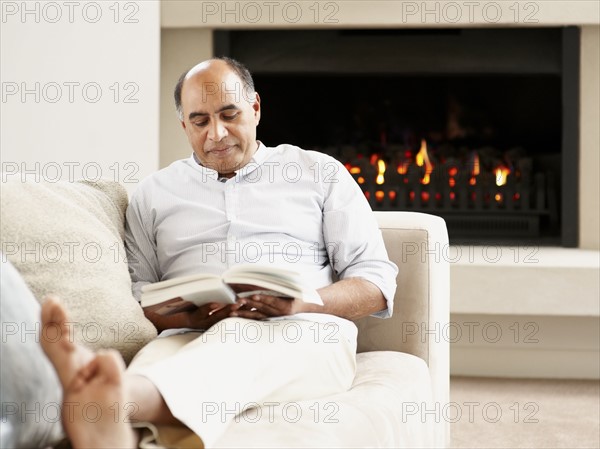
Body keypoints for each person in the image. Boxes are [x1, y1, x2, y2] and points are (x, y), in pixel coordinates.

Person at [40, 56, 398, 448]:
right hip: (187, 333)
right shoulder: (154, 194)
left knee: (232, 342)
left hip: (305, 334)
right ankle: (110, 426)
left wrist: (302, 303)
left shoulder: (319, 172)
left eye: (229, 115)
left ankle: (110, 401)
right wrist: (178, 313)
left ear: (256, 108)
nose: (217, 133)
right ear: (184, 126)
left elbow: (376, 283)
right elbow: (140, 291)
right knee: (155, 364)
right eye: (200, 121)